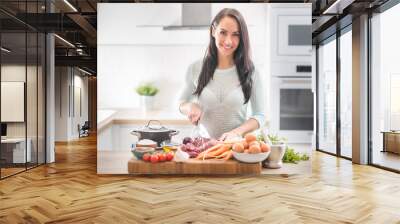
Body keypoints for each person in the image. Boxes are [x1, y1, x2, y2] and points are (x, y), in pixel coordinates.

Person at [178, 8, 265, 141]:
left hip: (235, 148)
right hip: (201, 147)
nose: (228, 41)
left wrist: (236, 133)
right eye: (223, 32)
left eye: (235, 34)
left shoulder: (250, 70)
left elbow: (259, 115)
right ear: (213, 31)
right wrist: (189, 107)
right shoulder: (195, 68)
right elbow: (180, 102)